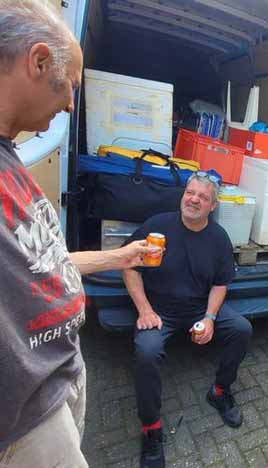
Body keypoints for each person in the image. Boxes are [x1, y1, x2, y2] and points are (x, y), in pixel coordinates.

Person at [0, 1, 156, 467]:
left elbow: (43, 263)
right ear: (38, 61)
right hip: (24, 418)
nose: (71, 103)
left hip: (60, 373)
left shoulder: (9, 157)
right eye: (70, 85)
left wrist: (119, 257)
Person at [123, 173, 253, 468]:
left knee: (242, 329)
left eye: (203, 197)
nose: (194, 200)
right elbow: (129, 266)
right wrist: (144, 309)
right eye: (190, 193)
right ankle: (151, 428)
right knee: (147, 351)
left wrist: (209, 318)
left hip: (197, 308)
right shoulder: (157, 226)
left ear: (213, 205)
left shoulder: (219, 238)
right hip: (159, 310)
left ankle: (220, 392)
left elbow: (220, 283)